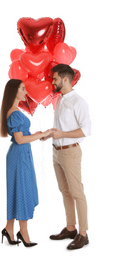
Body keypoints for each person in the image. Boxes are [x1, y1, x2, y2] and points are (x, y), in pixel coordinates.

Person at [0, 79, 53, 247]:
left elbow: (22, 136)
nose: (25, 91)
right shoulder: (14, 113)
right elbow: (20, 139)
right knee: (21, 190)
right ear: (14, 91)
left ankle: (10, 228)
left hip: (22, 155)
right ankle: (22, 231)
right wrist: (40, 134)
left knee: (19, 190)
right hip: (19, 155)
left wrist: (36, 134)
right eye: (23, 89)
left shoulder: (14, 111)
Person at [44, 64, 91, 250]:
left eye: (54, 78)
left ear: (65, 79)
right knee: (65, 191)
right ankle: (71, 228)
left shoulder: (78, 102)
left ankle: (83, 234)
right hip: (56, 151)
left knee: (77, 193)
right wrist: (50, 135)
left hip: (70, 152)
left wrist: (62, 134)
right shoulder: (61, 99)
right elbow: (61, 127)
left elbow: (86, 130)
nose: (52, 81)